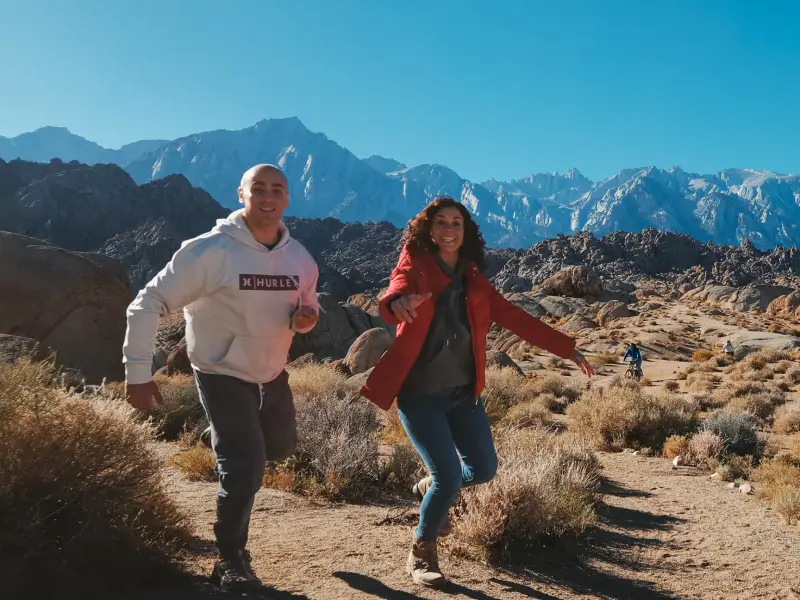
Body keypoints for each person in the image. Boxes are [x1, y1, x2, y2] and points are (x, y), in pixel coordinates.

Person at [359, 197, 595, 589]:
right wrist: (397, 304)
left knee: (483, 469)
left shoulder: (474, 280)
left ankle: (430, 487)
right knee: (449, 475)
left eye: (457, 222)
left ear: (464, 231)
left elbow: (517, 319)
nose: (449, 229)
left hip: (463, 396)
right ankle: (422, 551)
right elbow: (396, 289)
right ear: (428, 229)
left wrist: (567, 348)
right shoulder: (415, 264)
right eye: (441, 222)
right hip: (420, 396)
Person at [122, 164, 319, 592]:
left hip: (271, 372)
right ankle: (229, 559)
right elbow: (146, 302)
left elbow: (307, 302)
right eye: (259, 188)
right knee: (245, 468)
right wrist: (138, 373)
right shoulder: (209, 252)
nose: (268, 197)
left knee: (280, 449)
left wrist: (306, 318)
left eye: (277, 190)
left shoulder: (299, 257)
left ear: (288, 198)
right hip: (221, 371)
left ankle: (228, 438)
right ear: (242, 193)